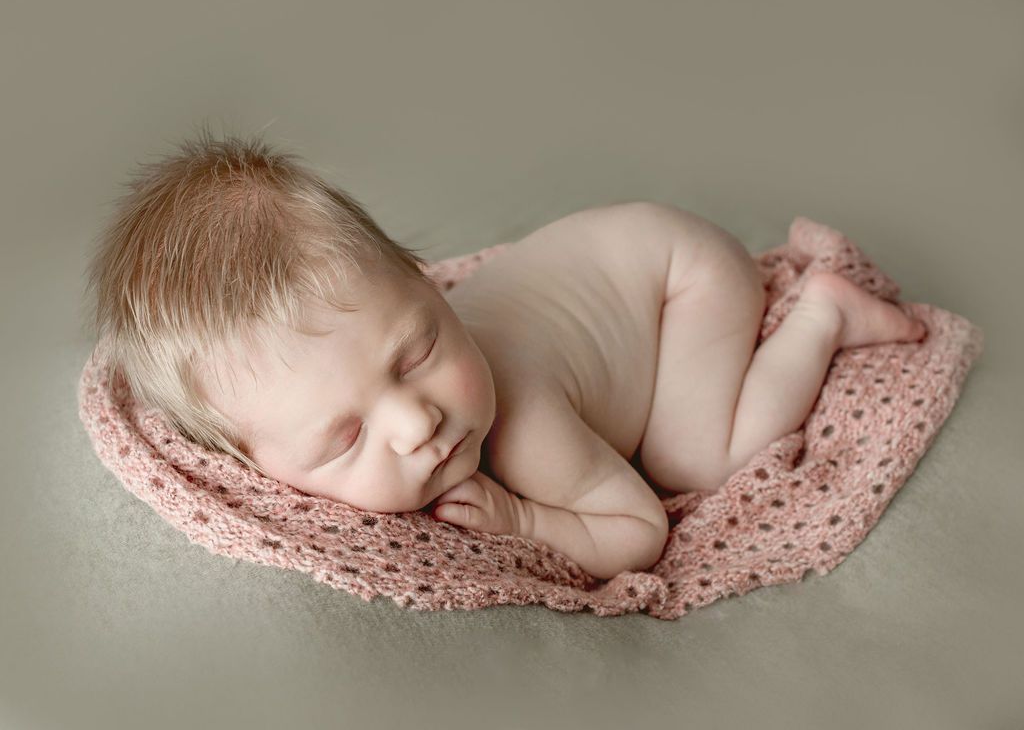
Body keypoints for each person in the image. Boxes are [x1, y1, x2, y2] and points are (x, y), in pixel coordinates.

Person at [84, 131, 927, 580]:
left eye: (416, 351)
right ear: (263, 470)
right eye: (344, 439)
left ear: (428, 285)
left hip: (679, 278)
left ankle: (822, 315)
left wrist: (529, 519)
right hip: (609, 248)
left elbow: (638, 532)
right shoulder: (322, 426)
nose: (419, 420)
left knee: (691, 454)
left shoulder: (521, 426)